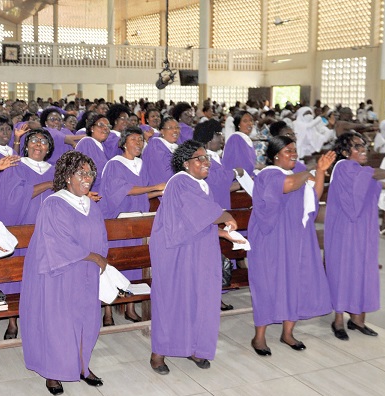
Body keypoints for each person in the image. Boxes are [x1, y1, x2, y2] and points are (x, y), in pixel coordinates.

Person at [20, 151, 108, 396]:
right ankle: (53, 372)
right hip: (58, 272)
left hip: (85, 273)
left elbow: (100, 236)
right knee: (59, 323)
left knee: (86, 319)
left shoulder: (89, 204)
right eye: (81, 172)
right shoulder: (55, 203)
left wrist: (99, 260)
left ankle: (81, 365)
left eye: (90, 173)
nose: (87, 177)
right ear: (68, 177)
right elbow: (58, 243)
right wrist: (94, 257)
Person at [149, 140, 241, 375]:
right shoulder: (180, 182)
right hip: (176, 252)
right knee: (173, 298)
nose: (205, 162)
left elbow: (196, 222)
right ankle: (158, 353)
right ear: (185, 163)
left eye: (206, 158)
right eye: (199, 158)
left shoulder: (200, 185)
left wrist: (224, 234)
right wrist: (226, 215)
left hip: (197, 248)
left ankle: (191, 346)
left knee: (196, 298)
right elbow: (199, 213)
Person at [248, 136, 335, 355]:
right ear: (276, 154)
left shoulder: (296, 175)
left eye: (295, 150)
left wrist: (321, 172)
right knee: (268, 284)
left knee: (295, 281)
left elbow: (314, 194)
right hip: (271, 240)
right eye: (288, 150)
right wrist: (311, 171)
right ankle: (259, 337)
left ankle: (288, 333)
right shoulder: (268, 174)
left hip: (296, 237)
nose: (293, 154)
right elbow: (286, 186)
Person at [325, 133, 385, 341]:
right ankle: (338, 320)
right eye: (357, 147)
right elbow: (371, 175)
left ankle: (357, 319)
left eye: (365, 146)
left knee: (362, 269)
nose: (363, 150)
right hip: (344, 229)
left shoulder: (358, 170)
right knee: (344, 270)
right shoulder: (344, 167)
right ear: (346, 152)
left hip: (362, 227)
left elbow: (372, 183)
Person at [99, 127, 165, 325]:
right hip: (117, 221)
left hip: (138, 221)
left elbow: (143, 194)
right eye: (134, 139)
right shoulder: (114, 165)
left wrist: (162, 192)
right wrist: (155, 187)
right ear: (124, 143)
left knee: (135, 262)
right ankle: (108, 311)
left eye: (141, 140)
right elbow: (123, 191)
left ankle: (130, 307)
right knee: (115, 264)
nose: (138, 143)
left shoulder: (141, 165)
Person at [0, 128, 56, 340]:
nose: (39, 144)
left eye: (44, 141)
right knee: (17, 276)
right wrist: (48, 185)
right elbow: (12, 196)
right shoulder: (16, 167)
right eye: (34, 140)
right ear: (27, 145)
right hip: (22, 227)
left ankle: (42, 318)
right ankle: (13, 321)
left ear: (49, 149)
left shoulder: (56, 169)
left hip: (49, 232)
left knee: (45, 276)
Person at [74, 114, 110, 195]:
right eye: (101, 125)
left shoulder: (101, 146)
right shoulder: (87, 142)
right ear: (92, 128)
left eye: (108, 126)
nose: (105, 128)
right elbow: (79, 171)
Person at [142, 117, 179, 186]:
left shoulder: (177, 147)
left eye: (177, 127)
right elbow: (161, 171)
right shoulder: (156, 144)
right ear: (162, 131)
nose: (175, 130)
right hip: (160, 189)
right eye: (170, 128)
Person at [222, 111, 257, 176]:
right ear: (238, 125)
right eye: (245, 121)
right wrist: (257, 166)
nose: (249, 123)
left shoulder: (246, 139)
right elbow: (240, 164)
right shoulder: (236, 138)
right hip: (238, 179)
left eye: (251, 121)